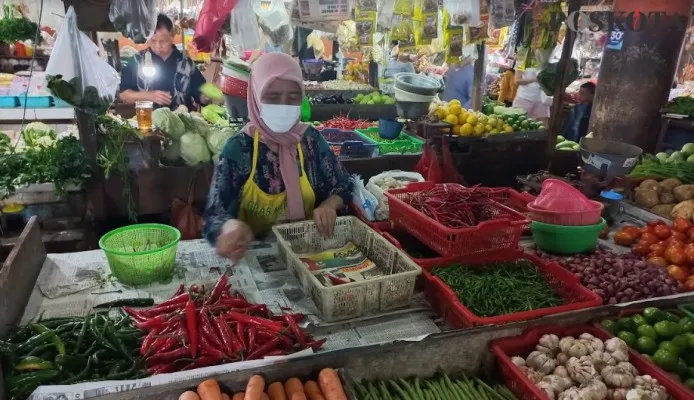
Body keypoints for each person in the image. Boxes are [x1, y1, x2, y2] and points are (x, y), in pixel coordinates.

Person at [203, 53, 353, 261]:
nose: (283, 105)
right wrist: (230, 226)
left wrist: (329, 205)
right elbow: (215, 215)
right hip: (254, 259)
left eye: (293, 97)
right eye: (272, 97)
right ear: (255, 95)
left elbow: (343, 187)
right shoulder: (239, 149)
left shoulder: (310, 141)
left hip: (310, 254)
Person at [119, 14, 206, 110]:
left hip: (182, 121)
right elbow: (124, 94)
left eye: (163, 41)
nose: (158, 46)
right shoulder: (137, 60)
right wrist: (149, 96)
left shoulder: (186, 64)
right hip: (147, 120)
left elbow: (201, 94)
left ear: (172, 37)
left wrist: (208, 98)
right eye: (153, 40)